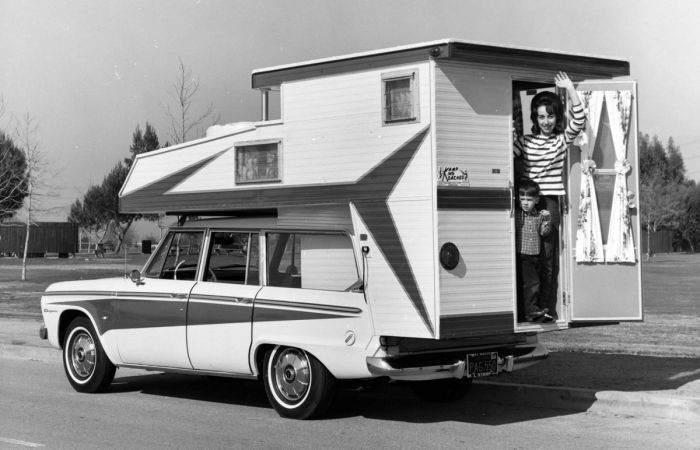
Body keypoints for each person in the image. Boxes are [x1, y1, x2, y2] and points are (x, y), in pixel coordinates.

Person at [513, 72, 586, 320]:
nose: (546, 121)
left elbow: (579, 120)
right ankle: (529, 308)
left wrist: (570, 89)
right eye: (541, 116)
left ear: (557, 117)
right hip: (527, 203)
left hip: (549, 203)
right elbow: (503, 153)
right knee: (526, 256)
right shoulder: (525, 142)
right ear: (535, 117)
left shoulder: (560, 141)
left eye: (550, 116)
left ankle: (543, 307)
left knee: (547, 256)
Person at [515, 179, 552, 322]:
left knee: (533, 283)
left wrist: (547, 220)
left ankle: (530, 311)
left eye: (529, 200)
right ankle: (531, 312)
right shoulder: (517, 215)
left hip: (535, 255)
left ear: (536, 200)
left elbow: (544, 233)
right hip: (522, 255)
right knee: (531, 284)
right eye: (522, 199)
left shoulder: (539, 216)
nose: (525, 203)